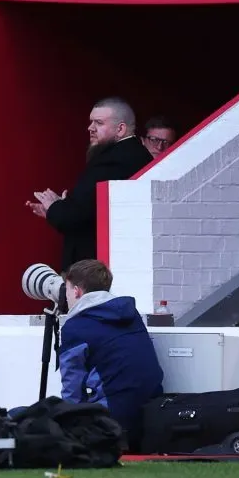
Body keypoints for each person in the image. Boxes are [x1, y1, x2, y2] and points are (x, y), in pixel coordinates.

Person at [28, 97, 152, 271]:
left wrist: (56, 208)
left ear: (121, 129)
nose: (90, 128)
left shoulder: (115, 160)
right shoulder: (129, 154)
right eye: (91, 122)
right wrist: (59, 207)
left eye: (99, 123)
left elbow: (76, 214)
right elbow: (90, 210)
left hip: (94, 271)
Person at [58, 259, 164, 450]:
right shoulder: (131, 315)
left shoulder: (75, 327)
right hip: (151, 417)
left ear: (76, 291)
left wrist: (67, 425)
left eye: (67, 291)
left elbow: (72, 389)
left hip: (112, 425)